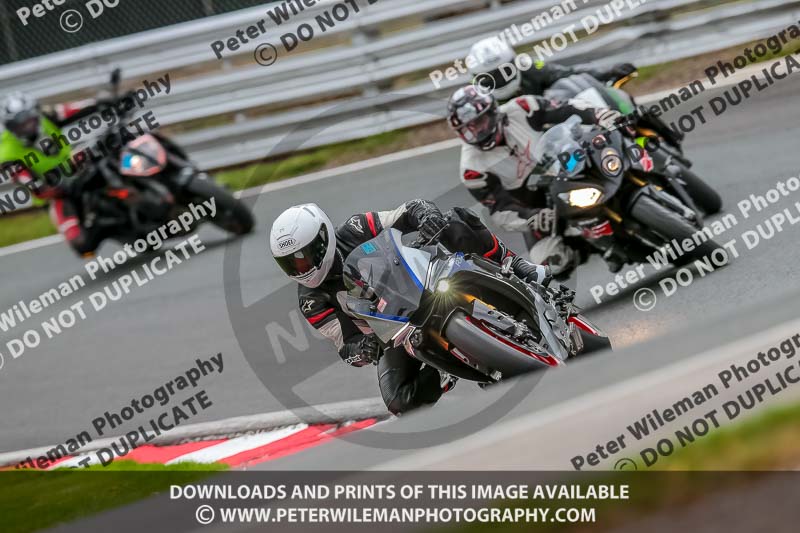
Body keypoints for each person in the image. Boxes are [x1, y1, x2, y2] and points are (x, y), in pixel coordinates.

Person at [269, 199, 555, 415]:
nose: (300, 268)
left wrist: (425, 216)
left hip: (426, 277)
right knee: (398, 401)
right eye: (290, 263)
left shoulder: (355, 228)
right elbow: (346, 345)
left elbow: (407, 210)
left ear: (322, 239)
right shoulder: (311, 300)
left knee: (454, 220)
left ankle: (516, 265)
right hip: (394, 331)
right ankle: (445, 371)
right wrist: (362, 350)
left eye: (304, 258)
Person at [448, 85, 622, 276]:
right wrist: (531, 217)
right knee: (551, 265)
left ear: (493, 111)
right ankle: (595, 247)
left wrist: (598, 114)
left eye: (479, 121)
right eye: (468, 129)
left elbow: (566, 107)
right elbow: (499, 209)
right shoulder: (471, 169)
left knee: (610, 150)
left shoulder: (522, 107)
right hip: (540, 206)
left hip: (568, 164)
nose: (477, 132)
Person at [0, 92, 101, 256]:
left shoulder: (47, 116)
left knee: (103, 150)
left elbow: (77, 109)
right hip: (56, 194)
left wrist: (102, 100)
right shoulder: (6, 155)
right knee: (82, 244)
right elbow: (33, 187)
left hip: (75, 167)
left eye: (29, 120)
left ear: (36, 114)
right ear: (10, 127)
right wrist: (55, 187)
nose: (27, 127)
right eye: (19, 124)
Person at [468, 36, 636, 101]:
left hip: (556, 132)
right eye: (491, 77)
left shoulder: (529, 69)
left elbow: (565, 72)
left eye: (503, 71)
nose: (500, 79)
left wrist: (606, 71)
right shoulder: (477, 101)